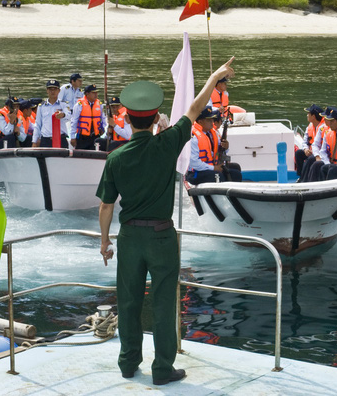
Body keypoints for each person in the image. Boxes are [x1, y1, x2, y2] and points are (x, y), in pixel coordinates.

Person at [96, 57, 235, 386]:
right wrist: (215, 76)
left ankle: (129, 363)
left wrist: (105, 242)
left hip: (129, 238)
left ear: (127, 120)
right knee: (163, 302)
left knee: (128, 301)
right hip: (161, 237)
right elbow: (192, 109)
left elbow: (105, 206)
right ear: (155, 118)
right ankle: (162, 368)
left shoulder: (115, 157)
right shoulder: (167, 143)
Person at [185, 106, 242, 184]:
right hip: (196, 172)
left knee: (236, 174)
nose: (212, 122)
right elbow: (194, 163)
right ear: (200, 121)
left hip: (211, 167)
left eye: (212, 119)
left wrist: (226, 146)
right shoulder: (193, 137)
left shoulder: (213, 133)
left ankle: (233, 195)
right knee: (219, 175)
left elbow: (219, 150)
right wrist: (214, 168)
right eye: (209, 120)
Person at [304, 107, 337, 183]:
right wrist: (324, 160)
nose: (325, 120)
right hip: (329, 160)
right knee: (317, 164)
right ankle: (308, 182)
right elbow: (321, 150)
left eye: (331, 120)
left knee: (321, 166)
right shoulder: (327, 131)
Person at [32, 80, 69, 148]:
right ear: (47, 91)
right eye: (50, 89)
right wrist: (34, 141)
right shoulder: (41, 106)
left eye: (55, 89)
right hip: (46, 139)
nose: (52, 91)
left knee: (62, 158)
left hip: (60, 138)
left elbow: (69, 115)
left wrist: (63, 115)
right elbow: (38, 124)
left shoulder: (64, 104)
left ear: (59, 91)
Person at [70, 84, 106, 150]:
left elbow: (103, 118)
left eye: (96, 92)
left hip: (95, 136)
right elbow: (74, 121)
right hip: (83, 137)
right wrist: (72, 137)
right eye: (93, 93)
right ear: (87, 93)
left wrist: (103, 128)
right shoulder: (79, 105)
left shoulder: (99, 105)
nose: (96, 95)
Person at [294, 104, 324, 177]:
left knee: (310, 159)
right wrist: (306, 149)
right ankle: (300, 175)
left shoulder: (323, 128)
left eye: (308, 114)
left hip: (319, 154)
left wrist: (314, 152)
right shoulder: (310, 126)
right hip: (310, 151)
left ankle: (305, 179)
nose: (307, 115)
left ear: (313, 116)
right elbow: (305, 141)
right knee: (298, 153)